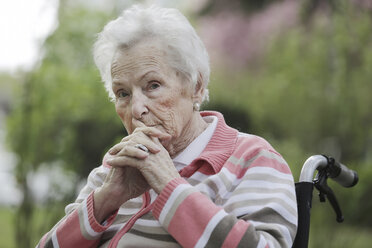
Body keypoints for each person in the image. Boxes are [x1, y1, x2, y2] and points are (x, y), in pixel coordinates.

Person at [37, 5, 297, 248]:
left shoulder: (252, 157)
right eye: (123, 93)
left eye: (153, 86)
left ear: (196, 87)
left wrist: (168, 185)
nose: (136, 108)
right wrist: (107, 198)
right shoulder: (114, 167)